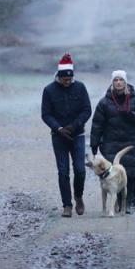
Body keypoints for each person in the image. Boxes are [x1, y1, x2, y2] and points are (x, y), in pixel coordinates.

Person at [90, 70, 135, 212]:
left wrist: (132, 116)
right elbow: (97, 124)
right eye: (116, 80)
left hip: (132, 140)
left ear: (125, 82)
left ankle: (131, 200)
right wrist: (94, 143)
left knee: (132, 171)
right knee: (114, 172)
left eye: (121, 80)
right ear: (112, 82)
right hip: (111, 142)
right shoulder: (104, 103)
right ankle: (119, 201)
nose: (118, 82)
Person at [41, 53, 92, 218]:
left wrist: (73, 125)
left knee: (80, 170)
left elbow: (86, 110)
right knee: (63, 171)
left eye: (70, 79)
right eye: (64, 79)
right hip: (58, 136)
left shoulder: (80, 87)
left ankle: (78, 196)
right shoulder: (49, 90)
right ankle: (67, 205)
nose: (67, 82)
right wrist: (58, 128)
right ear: (59, 77)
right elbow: (46, 114)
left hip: (77, 134)